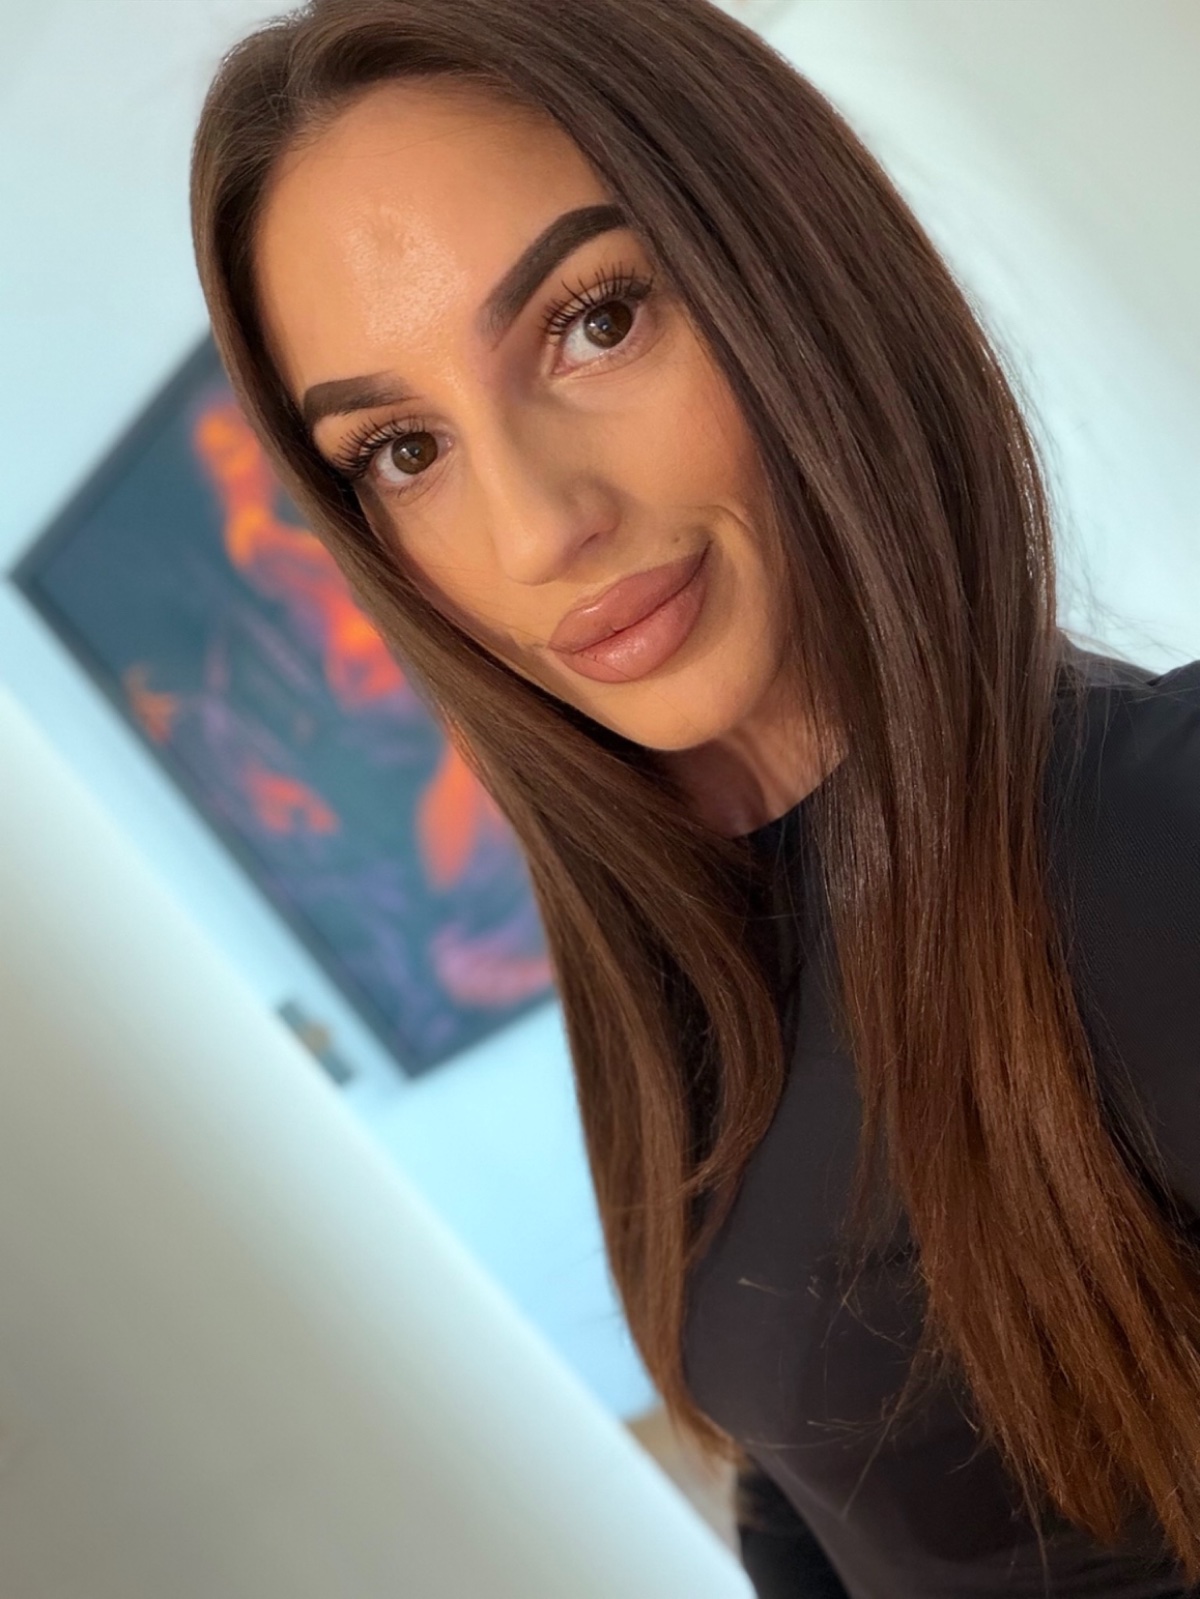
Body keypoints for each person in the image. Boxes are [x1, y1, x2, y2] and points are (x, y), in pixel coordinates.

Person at [189, 2, 1200, 1592]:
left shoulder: (1157, 830)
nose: (537, 528)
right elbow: (810, 1497)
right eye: (402, 449)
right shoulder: (685, 948)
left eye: (594, 321)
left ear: (785, 257)